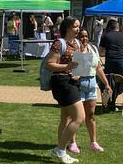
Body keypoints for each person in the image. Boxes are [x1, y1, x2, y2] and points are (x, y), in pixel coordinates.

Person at [67, 28, 111, 154]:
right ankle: (72, 143)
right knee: (75, 116)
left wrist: (106, 83)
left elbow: (98, 67)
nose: (84, 38)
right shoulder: (73, 50)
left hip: (91, 83)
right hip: (78, 84)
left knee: (90, 115)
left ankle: (93, 142)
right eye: (81, 36)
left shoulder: (93, 49)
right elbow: (69, 66)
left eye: (86, 36)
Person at [45, 16, 83, 164]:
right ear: (67, 28)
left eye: (78, 26)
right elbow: (49, 64)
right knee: (79, 118)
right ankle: (61, 150)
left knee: (65, 119)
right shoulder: (59, 43)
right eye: (75, 26)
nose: (78, 29)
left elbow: (77, 64)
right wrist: (66, 67)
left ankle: (60, 150)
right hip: (61, 82)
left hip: (72, 81)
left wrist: (78, 73)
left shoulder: (77, 43)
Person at [99, 19, 123, 114]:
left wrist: (106, 53)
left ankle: (110, 104)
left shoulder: (105, 36)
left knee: (109, 83)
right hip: (122, 62)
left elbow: (100, 51)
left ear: (109, 27)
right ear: (118, 27)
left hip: (110, 62)